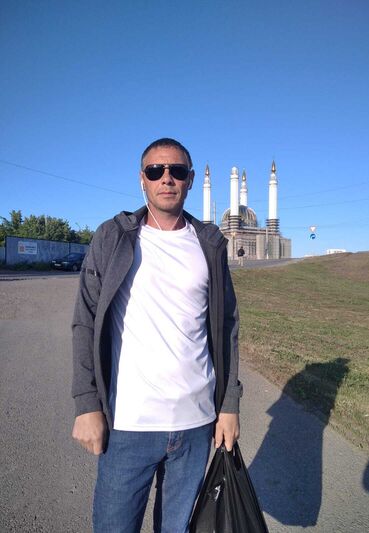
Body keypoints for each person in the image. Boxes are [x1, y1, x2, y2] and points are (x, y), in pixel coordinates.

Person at [71, 138, 242, 533]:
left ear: (190, 180)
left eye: (177, 171)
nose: (167, 179)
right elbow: (85, 320)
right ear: (142, 180)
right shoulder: (114, 237)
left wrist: (229, 405)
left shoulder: (209, 244)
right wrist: (86, 404)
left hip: (196, 424)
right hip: (129, 424)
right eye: (156, 171)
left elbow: (227, 325)